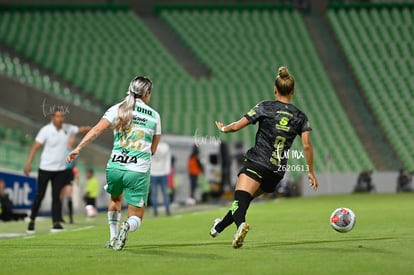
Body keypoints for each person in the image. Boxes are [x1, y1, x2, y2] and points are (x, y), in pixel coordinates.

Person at [210, 66, 318, 249]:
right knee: (244, 200)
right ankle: (218, 227)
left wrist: (224, 129)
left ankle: (240, 225)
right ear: (293, 91)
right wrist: (310, 171)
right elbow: (306, 145)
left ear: (275, 89)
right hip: (276, 172)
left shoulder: (265, 107)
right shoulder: (300, 116)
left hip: (257, 162)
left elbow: (237, 126)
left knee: (240, 200)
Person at [66, 76, 161, 251]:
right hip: (137, 169)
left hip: (115, 166)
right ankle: (127, 227)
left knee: (115, 199)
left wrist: (78, 148)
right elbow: (153, 150)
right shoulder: (155, 116)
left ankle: (112, 238)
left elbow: (96, 130)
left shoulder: (117, 109)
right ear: (147, 93)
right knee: (136, 216)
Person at [24, 109, 90, 233]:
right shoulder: (45, 130)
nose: (60, 119)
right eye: (58, 116)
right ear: (52, 118)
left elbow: (80, 129)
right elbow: (35, 147)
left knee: (56, 196)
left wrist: (95, 128)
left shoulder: (67, 128)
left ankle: (56, 223)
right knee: (40, 195)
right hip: (45, 168)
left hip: (60, 169)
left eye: (62, 116)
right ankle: (32, 220)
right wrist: (28, 163)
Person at [60, 135, 78, 224]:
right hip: (61, 172)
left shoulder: (74, 151)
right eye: (71, 138)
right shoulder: (62, 150)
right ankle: (59, 216)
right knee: (61, 195)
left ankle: (71, 217)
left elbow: (75, 166)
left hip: (69, 173)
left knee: (69, 194)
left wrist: (77, 176)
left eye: (73, 138)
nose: (72, 140)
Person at [150, 141, 171, 216]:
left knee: (165, 193)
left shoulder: (165, 146)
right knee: (154, 194)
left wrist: (167, 171)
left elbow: (167, 159)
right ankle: (155, 211)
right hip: (153, 173)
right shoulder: (149, 145)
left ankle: (168, 210)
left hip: (162, 173)